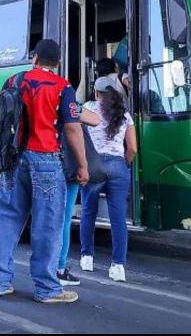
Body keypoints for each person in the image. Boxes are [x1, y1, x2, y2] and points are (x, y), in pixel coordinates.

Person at [0, 39, 89, 304]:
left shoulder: (13, 81)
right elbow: (72, 128)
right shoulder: (62, 86)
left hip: (13, 158)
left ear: (34, 58)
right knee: (48, 224)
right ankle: (46, 288)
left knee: (7, 217)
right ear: (56, 63)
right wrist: (82, 164)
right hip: (46, 159)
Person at [79, 76, 138, 283]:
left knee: (88, 211)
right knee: (118, 218)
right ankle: (118, 266)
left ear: (96, 93)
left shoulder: (88, 107)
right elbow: (132, 148)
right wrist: (125, 163)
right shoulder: (125, 115)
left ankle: (87, 257)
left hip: (94, 164)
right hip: (117, 165)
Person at [57, 108, 100, 287]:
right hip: (69, 165)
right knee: (64, 218)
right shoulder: (66, 98)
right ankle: (59, 268)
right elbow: (95, 119)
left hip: (43, 161)